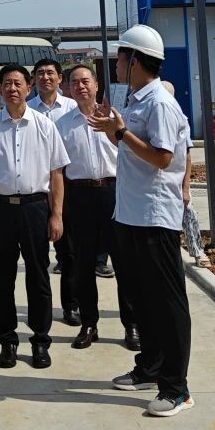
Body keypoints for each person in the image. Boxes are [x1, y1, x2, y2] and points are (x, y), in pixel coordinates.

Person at [89, 24, 195, 418]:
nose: (115, 65)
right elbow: (131, 150)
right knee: (140, 298)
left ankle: (177, 388)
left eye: (119, 58)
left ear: (134, 60)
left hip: (154, 217)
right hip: (130, 214)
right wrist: (112, 130)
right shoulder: (136, 101)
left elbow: (163, 158)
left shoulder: (160, 104)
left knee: (166, 303)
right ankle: (150, 367)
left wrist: (119, 134)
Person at [0, 64, 70, 370]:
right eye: (6, 84)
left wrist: (56, 215)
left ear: (29, 88)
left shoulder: (44, 125)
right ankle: (7, 341)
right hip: (1, 209)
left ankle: (40, 340)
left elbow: (56, 174)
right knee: (3, 278)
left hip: (35, 208)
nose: (12, 88)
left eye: (17, 83)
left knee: (38, 276)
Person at [57, 64, 138, 351]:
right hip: (79, 196)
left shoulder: (116, 118)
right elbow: (58, 169)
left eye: (85, 81)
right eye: (75, 82)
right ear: (67, 88)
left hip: (113, 193)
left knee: (124, 262)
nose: (80, 87)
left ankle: (132, 324)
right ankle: (89, 323)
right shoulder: (62, 125)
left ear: (96, 85)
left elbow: (130, 155)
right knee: (83, 263)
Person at [27, 57, 79, 326]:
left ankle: (71, 305)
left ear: (60, 78)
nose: (45, 78)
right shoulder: (25, 110)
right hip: (35, 190)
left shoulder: (73, 108)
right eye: (40, 73)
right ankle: (39, 310)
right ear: (33, 79)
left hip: (65, 187)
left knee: (69, 252)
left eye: (50, 73)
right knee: (36, 255)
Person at [160, 80, 210, 268]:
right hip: (155, 180)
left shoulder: (180, 119)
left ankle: (198, 252)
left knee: (188, 214)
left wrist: (185, 187)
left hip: (175, 178)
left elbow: (187, 156)